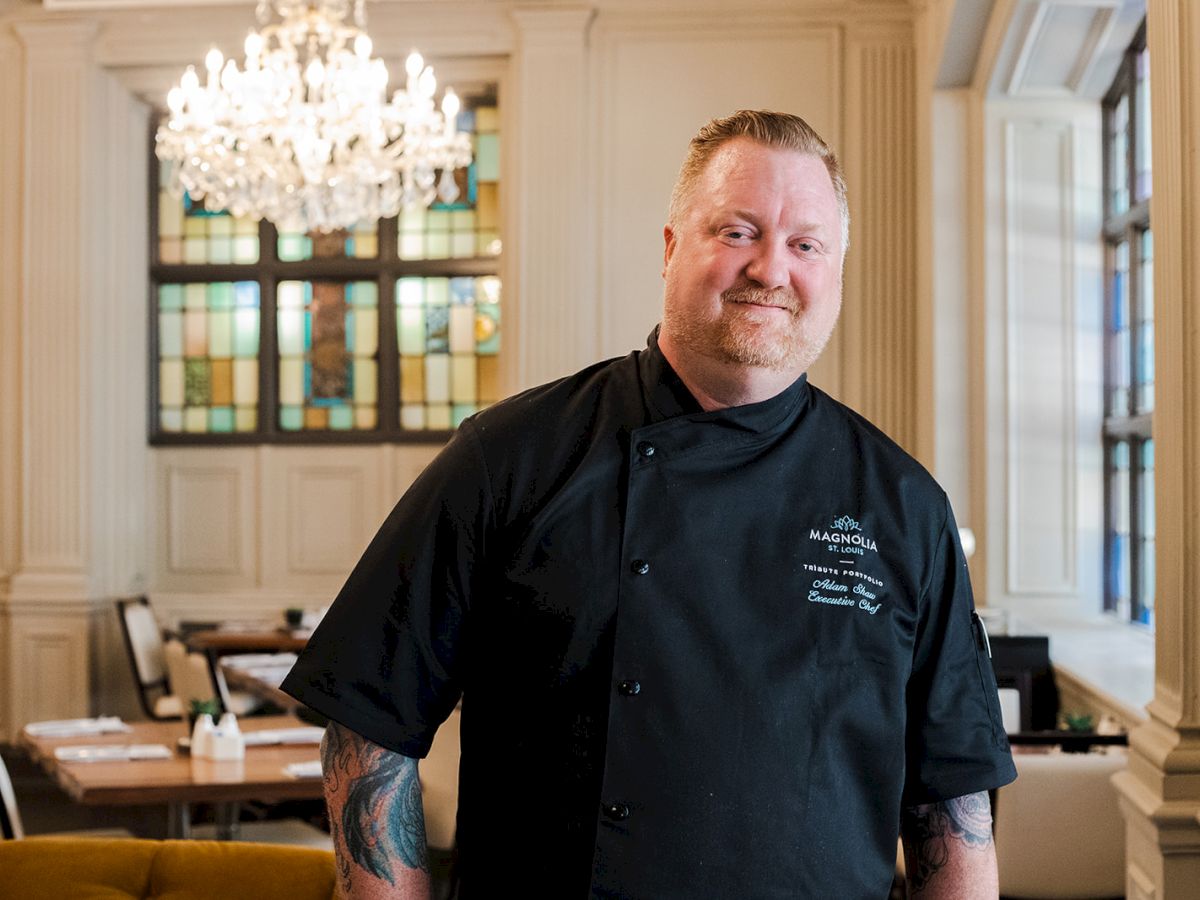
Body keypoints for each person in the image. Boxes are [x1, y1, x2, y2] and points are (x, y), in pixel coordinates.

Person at [282, 109, 1016, 899]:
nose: (771, 269)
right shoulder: (511, 457)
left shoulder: (904, 504)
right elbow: (369, 720)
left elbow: (952, 801)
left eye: (806, 244)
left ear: (835, 271)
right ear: (671, 248)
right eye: (737, 232)